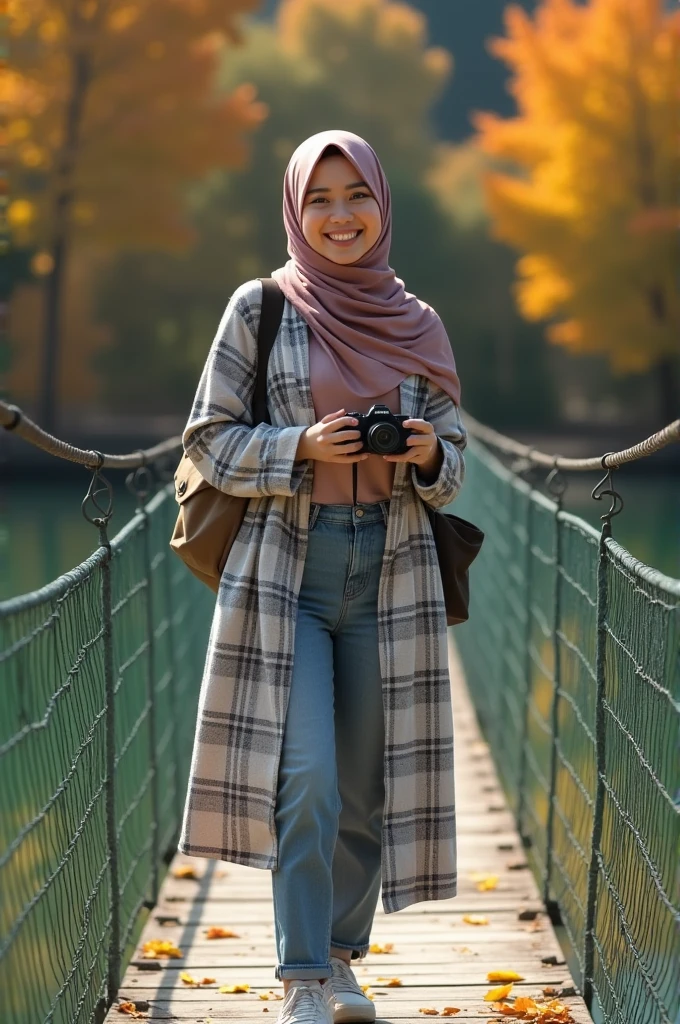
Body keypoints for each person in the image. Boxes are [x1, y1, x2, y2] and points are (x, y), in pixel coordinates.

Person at [178, 130, 467, 1024]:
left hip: (392, 574)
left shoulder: (420, 325)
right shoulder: (259, 309)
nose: (340, 216)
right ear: (296, 210)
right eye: (320, 200)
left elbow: (458, 461)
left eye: (356, 197)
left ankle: (344, 959)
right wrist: (296, 446)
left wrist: (425, 455)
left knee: (367, 780)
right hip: (286, 576)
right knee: (304, 775)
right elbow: (206, 440)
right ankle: (301, 975)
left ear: (383, 203)